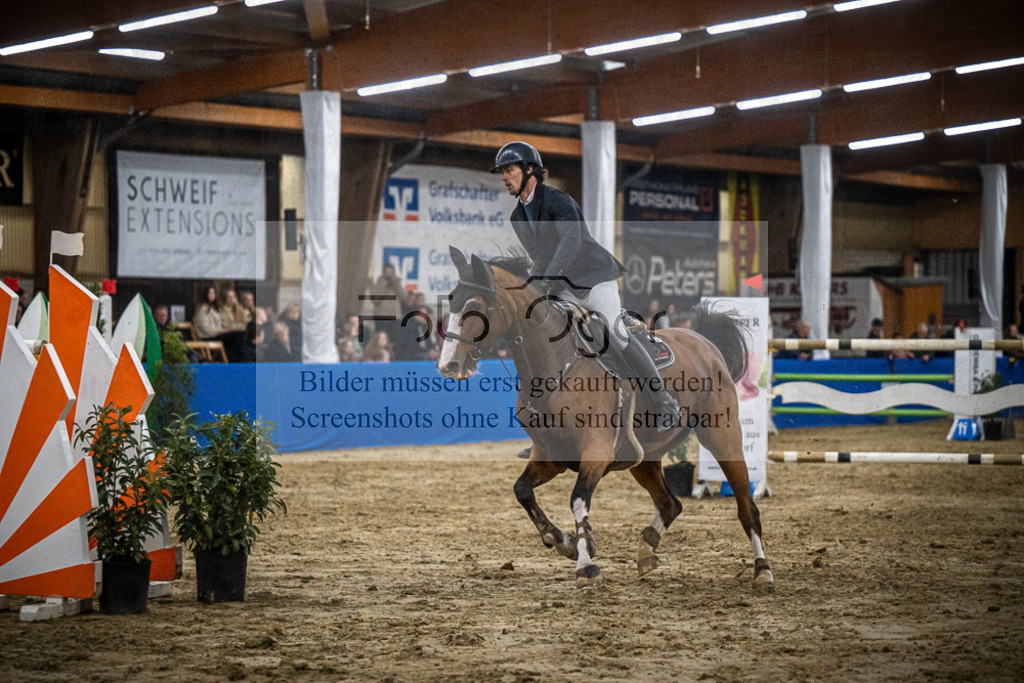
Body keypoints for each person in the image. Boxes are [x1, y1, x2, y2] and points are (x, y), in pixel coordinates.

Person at [492, 140, 678, 430]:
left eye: (509, 169)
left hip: (592, 280)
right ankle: (549, 422)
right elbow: (539, 257)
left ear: (530, 170)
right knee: (545, 333)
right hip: (560, 282)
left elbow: (571, 242)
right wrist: (531, 288)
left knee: (616, 334)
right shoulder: (518, 216)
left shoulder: (558, 200)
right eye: (502, 171)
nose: (504, 177)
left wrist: (549, 281)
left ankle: (663, 400)